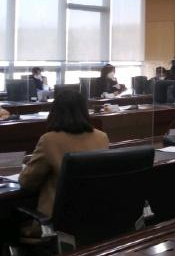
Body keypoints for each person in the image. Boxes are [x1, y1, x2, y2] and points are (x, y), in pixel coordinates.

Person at [19, 90, 109, 221]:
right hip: (94, 215)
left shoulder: (49, 140)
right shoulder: (102, 137)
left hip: (57, 219)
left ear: (54, 112)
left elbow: (27, 182)